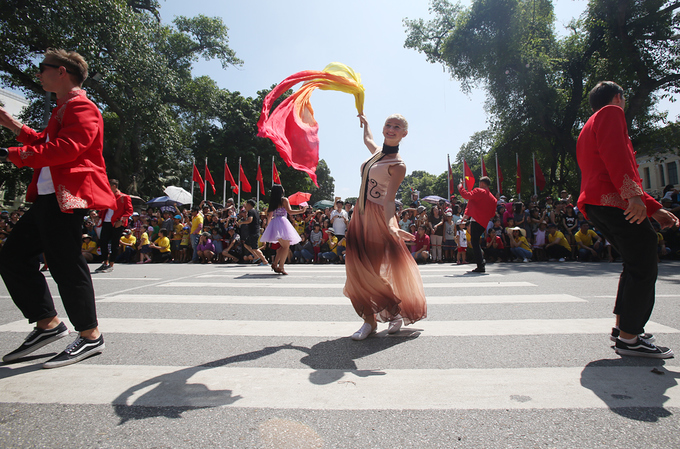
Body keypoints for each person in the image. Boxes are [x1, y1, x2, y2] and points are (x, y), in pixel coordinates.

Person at [0, 48, 115, 368]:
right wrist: (12, 125)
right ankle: (47, 323)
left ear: (62, 71)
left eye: (43, 68)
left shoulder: (82, 106)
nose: (38, 74)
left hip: (68, 197)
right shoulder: (62, 108)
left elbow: (68, 149)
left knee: (65, 263)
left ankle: (91, 335)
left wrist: (11, 154)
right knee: (12, 256)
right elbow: (44, 143)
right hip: (48, 197)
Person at [577, 81, 679, 358]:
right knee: (644, 260)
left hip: (599, 202)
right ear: (618, 97)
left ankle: (625, 328)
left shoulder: (588, 125)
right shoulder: (611, 113)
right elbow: (618, 158)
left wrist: (653, 207)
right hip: (612, 199)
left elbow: (613, 164)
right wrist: (634, 197)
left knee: (635, 261)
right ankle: (630, 338)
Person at [344, 114, 427, 341]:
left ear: (404, 134)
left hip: (377, 217)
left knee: (370, 269)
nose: (391, 129)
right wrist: (366, 123)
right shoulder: (376, 153)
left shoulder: (398, 165)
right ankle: (369, 322)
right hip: (359, 217)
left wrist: (392, 225)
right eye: (388, 125)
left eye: (397, 127)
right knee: (355, 269)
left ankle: (394, 311)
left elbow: (390, 200)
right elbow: (368, 139)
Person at [260, 184, 304, 274]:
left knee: (283, 246)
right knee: (286, 246)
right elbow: (290, 212)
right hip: (282, 222)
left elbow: (270, 215)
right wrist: (301, 211)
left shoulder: (273, 201)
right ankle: (281, 267)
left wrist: (268, 226)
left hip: (275, 222)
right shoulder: (284, 200)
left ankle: (275, 264)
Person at [458, 176, 498, 273]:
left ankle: (481, 265)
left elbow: (466, 195)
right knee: (476, 242)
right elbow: (492, 214)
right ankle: (481, 263)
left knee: (474, 242)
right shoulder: (493, 199)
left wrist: (460, 187)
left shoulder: (479, 191)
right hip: (484, 223)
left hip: (476, 220)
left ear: (481, 184)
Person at [95, 178, 133, 273]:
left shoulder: (124, 197)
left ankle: (111, 264)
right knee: (103, 242)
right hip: (106, 221)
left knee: (115, 243)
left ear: (114, 186)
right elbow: (103, 209)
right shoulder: (107, 196)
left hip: (117, 222)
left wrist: (121, 220)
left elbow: (129, 211)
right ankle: (105, 263)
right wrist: (98, 216)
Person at [240, 199, 268, 266]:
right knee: (246, 244)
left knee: (255, 248)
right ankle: (256, 256)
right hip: (254, 232)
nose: (246, 206)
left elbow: (249, 220)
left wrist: (242, 222)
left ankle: (264, 261)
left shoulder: (251, 211)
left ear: (249, 205)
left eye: (246, 205)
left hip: (254, 232)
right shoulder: (255, 211)